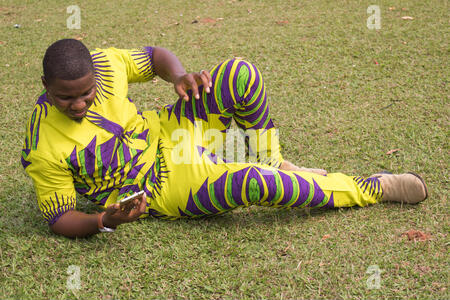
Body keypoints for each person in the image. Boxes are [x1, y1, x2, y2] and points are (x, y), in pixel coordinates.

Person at [21, 39, 428, 238]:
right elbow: (59, 218)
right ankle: (373, 188)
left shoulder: (105, 64)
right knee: (252, 183)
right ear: (45, 86)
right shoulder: (42, 143)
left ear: (94, 74)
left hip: (170, 129)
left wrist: (179, 75)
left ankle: (273, 160)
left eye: (85, 93)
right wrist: (103, 220)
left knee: (239, 73)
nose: (77, 104)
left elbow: (155, 55)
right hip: (161, 188)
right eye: (65, 97)